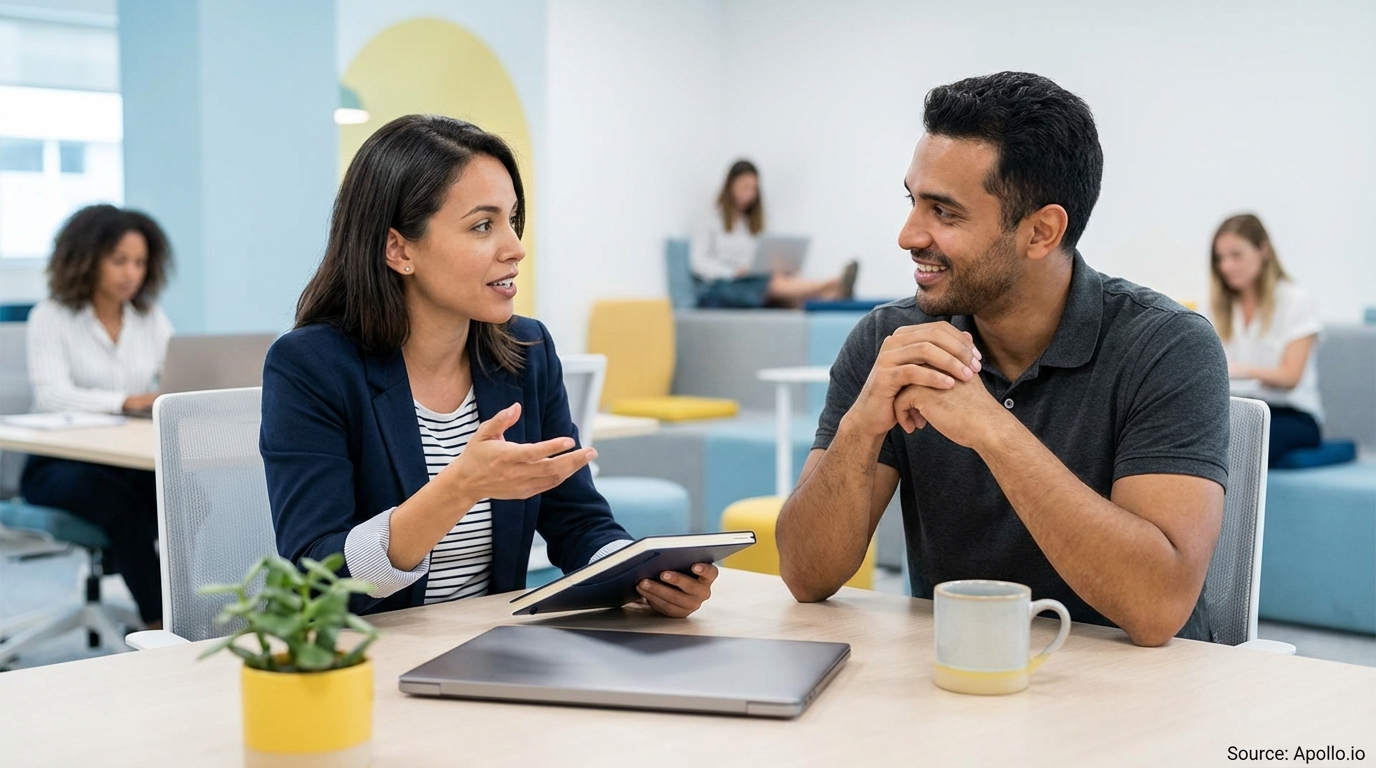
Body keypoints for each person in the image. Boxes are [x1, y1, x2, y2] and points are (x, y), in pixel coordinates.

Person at [776, 72, 1230, 647]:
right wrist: (861, 426)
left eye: (944, 212)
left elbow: (1157, 606)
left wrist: (992, 427)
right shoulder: (889, 340)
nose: (907, 235)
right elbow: (805, 575)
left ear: (1041, 232)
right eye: (913, 201)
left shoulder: (1167, 346)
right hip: (963, 684)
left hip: (1139, 703)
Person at [261, 115, 717, 617]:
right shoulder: (311, 366)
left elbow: (577, 522)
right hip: (363, 663)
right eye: (482, 225)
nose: (515, 249)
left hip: (491, 651)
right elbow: (315, 578)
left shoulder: (527, 349)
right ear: (399, 248)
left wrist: (642, 576)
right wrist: (458, 489)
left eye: (511, 220)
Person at [22, 204, 175, 629]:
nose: (131, 273)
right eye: (119, 260)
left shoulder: (149, 318)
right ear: (86, 258)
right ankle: (159, 622)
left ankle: (186, 603)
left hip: (121, 458)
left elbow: (174, 373)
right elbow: (53, 396)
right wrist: (126, 401)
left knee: (188, 496)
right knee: (124, 508)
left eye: (140, 262)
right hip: (56, 464)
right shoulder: (50, 317)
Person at [1209, 214, 1323, 465]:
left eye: (1236, 255)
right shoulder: (1222, 307)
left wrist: (1239, 371)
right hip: (1240, 410)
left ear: (1263, 250)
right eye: (1220, 258)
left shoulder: (1296, 301)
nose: (1226, 266)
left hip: (1293, 416)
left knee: (1236, 444)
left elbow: (1291, 376)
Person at [690, 159, 858, 308]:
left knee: (788, 297)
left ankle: (831, 295)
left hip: (752, 281)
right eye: (745, 187)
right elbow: (699, 263)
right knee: (773, 284)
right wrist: (732, 272)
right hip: (721, 286)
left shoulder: (752, 223)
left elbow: (760, 258)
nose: (749, 194)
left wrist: (779, 266)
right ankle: (830, 285)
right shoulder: (711, 219)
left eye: (754, 189)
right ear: (730, 186)